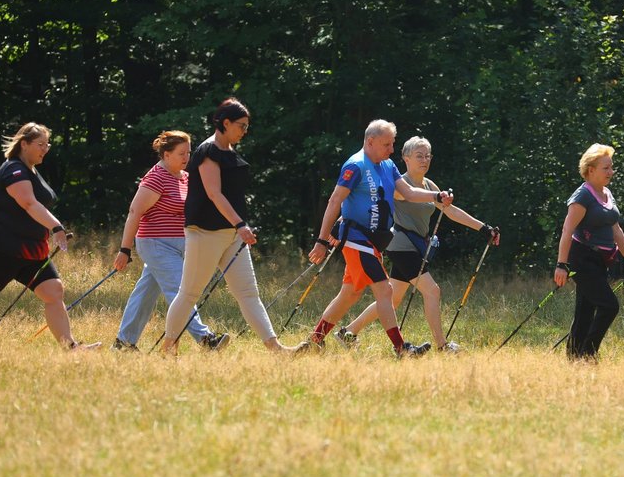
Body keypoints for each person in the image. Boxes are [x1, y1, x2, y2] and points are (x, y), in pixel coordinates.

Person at [304, 120, 454, 357]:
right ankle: (401, 348)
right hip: (356, 240)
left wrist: (436, 195)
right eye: (387, 144)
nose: (391, 149)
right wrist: (322, 241)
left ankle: (315, 339)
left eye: (392, 144)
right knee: (385, 292)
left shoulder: (387, 165)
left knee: (350, 293)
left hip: (374, 243)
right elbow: (335, 201)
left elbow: (409, 193)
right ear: (370, 141)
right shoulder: (355, 166)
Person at [335, 136, 499, 352]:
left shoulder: (430, 185)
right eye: (419, 155)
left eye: (428, 155)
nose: (424, 160)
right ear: (406, 158)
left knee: (392, 300)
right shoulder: (399, 184)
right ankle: (442, 346)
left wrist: (483, 228)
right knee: (432, 291)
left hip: (414, 247)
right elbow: (405, 198)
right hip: (401, 246)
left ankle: (347, 332)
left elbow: (450, 211)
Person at [161, 98, 296, 354]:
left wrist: (237, 227)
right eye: (241, 126)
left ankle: (276, 349)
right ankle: (169, 347)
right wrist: (241, 224)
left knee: (248, 293)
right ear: (225, 123)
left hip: (231, 234)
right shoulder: (208, 151)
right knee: (189, 294)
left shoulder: (231, 153)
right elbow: (214, 193)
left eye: (247, 126)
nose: (245, 131)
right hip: (205, 232)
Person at [0, 122, 97, 349]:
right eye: (40, 144)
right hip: (2, 249)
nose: (45, 149)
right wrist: (56, 227)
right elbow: (28, 203)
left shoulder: (31, 170)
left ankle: (71, 349)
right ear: (24, 144)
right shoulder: (13, 169)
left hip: (32, 251)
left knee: (54, 291)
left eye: (47, 144)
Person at [111, 131, 226, 352]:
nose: (186, 157)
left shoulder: (185, 177)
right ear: (166, 154)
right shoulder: (155, 178)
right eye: (181, 153)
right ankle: (206, 339)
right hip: (155, 244)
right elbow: (134, 212)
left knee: (145, 294)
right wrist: (125, 249)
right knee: (180, 290)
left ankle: (124, 343)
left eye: (188, 152)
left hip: (179, 245)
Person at [554, 144, 624, 361]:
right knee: (609, 306)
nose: (611, 172)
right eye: (606, 168)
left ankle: (574, 357)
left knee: (585, 310)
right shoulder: (582, 196)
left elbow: (615, 228)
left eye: (611, 167)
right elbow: (567, 230)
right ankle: (588, 353)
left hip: (600, 260)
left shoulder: (606, 193)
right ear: (590, 169)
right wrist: (561, 265)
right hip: (582, 258)